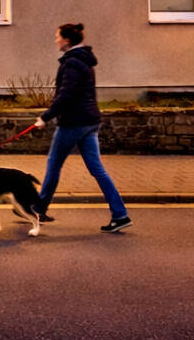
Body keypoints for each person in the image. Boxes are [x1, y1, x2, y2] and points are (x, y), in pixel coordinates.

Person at [34, 22, 131, 233]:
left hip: (73, 123)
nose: (55, 40)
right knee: (97, 170)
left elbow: (65, 95)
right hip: (90, 122)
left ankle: (38, 209)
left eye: (58, 36)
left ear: (67, 40)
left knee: (54, 165)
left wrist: (45, 116)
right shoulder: (84, 61)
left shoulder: (71, 63)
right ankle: (120, 214)